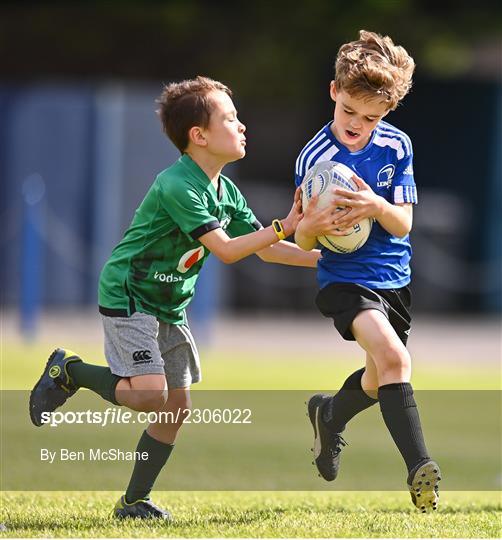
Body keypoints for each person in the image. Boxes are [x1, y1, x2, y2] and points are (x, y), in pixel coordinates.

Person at [29, 76, 320, 520]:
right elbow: (225, 249)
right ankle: (69, 371)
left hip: (169, 302)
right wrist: (284, 225)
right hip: (131, 292)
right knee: (150, 394)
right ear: (198, 135)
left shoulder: (225, 189)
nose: (242, 126)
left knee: (176, 408)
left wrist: (327, 261)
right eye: (230, 118)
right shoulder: (178, 184)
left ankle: (132, 503)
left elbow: (265, 249)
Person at [294, 30, 441, 512]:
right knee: (398, 363)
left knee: (380, 382)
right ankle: (421, 472)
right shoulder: (314, 159)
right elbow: (303, 239)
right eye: (349, 112)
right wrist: (313, 224)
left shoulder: (397, 147)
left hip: (393, 279)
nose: (358, 124)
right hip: (344, 280)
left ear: (387, 114)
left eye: (371, 117)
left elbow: (403, 225)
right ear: (334, 92)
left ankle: (330, 414)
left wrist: (376, 204)